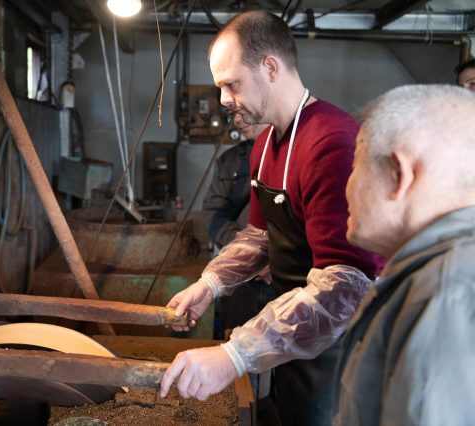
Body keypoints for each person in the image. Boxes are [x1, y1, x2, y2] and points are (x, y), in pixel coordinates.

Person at [159, 11, 383, 426]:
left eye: (231, 84)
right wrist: (211, 283)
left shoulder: (332, 143)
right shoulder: (265, 145)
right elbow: (259, 237)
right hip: (296, 336)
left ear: (270, 68)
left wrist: (234, 355)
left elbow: (344, 288)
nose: (224, 98)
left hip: (339, 349)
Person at [333, 85, 475, 425]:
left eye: (356, 165)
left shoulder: (444, 294)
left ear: (400, 175)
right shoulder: (439, 274)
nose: (346, 186)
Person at [203, 116, 273, 337]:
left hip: (288, 279)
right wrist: (248, 254)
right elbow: (214, 214)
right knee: (236, 348)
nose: (236, 120)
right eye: (231, 111)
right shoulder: (230, 161)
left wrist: (276, 260)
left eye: (242, 109)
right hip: (243, 281)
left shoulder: (298, 152)